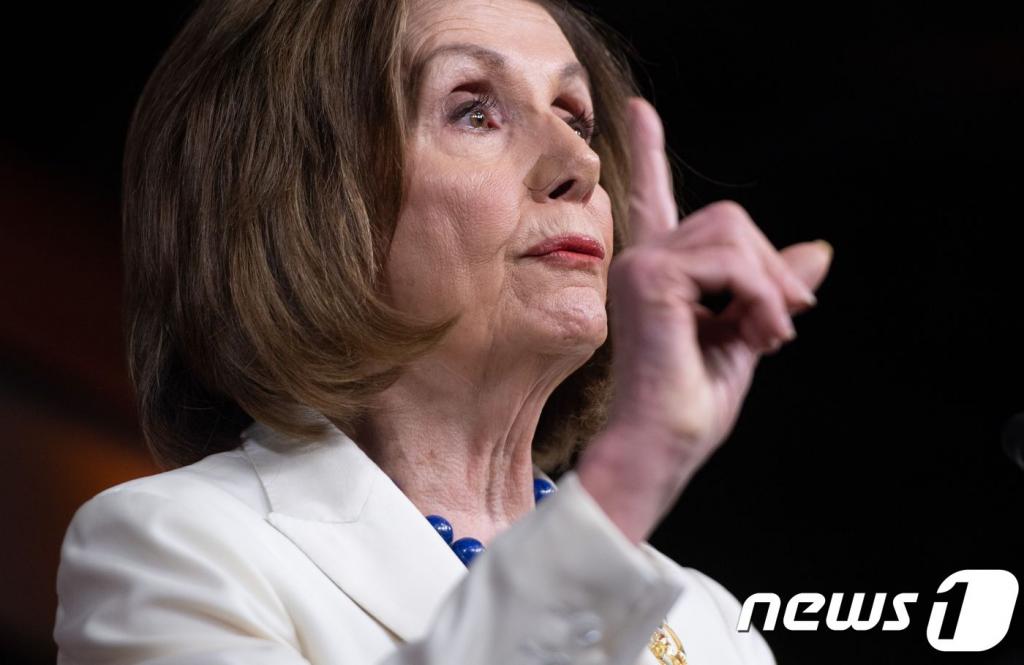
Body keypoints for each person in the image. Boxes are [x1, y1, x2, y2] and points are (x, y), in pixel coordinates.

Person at [54, 0, 832, 663]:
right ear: (306, 196)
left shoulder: (711, 622)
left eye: (577, 119)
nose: (580, 164)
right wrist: (632, 472)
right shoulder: (174, 546)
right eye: (475, 110)